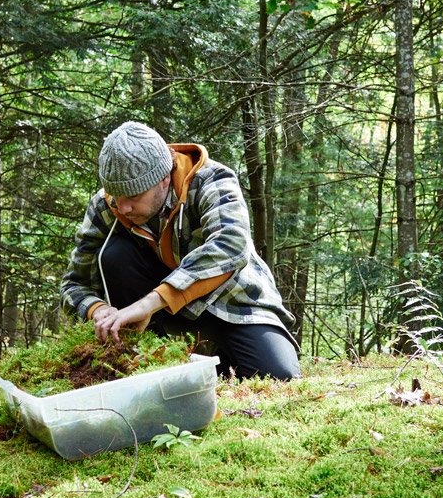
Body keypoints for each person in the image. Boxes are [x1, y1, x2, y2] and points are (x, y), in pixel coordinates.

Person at [61, 121, 300, 380]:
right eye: (117, 197)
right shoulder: (107, 206)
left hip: (234, 302)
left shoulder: (212, 180)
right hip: (160, 316)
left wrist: (149, 303)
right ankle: (149, 365)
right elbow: (74, 284)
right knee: (116, 254)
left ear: (164, 178)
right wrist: (98, 310)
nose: (124, 208)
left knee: (278, 376)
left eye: (134, 197)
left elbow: (230, 245)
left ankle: (219, 362)